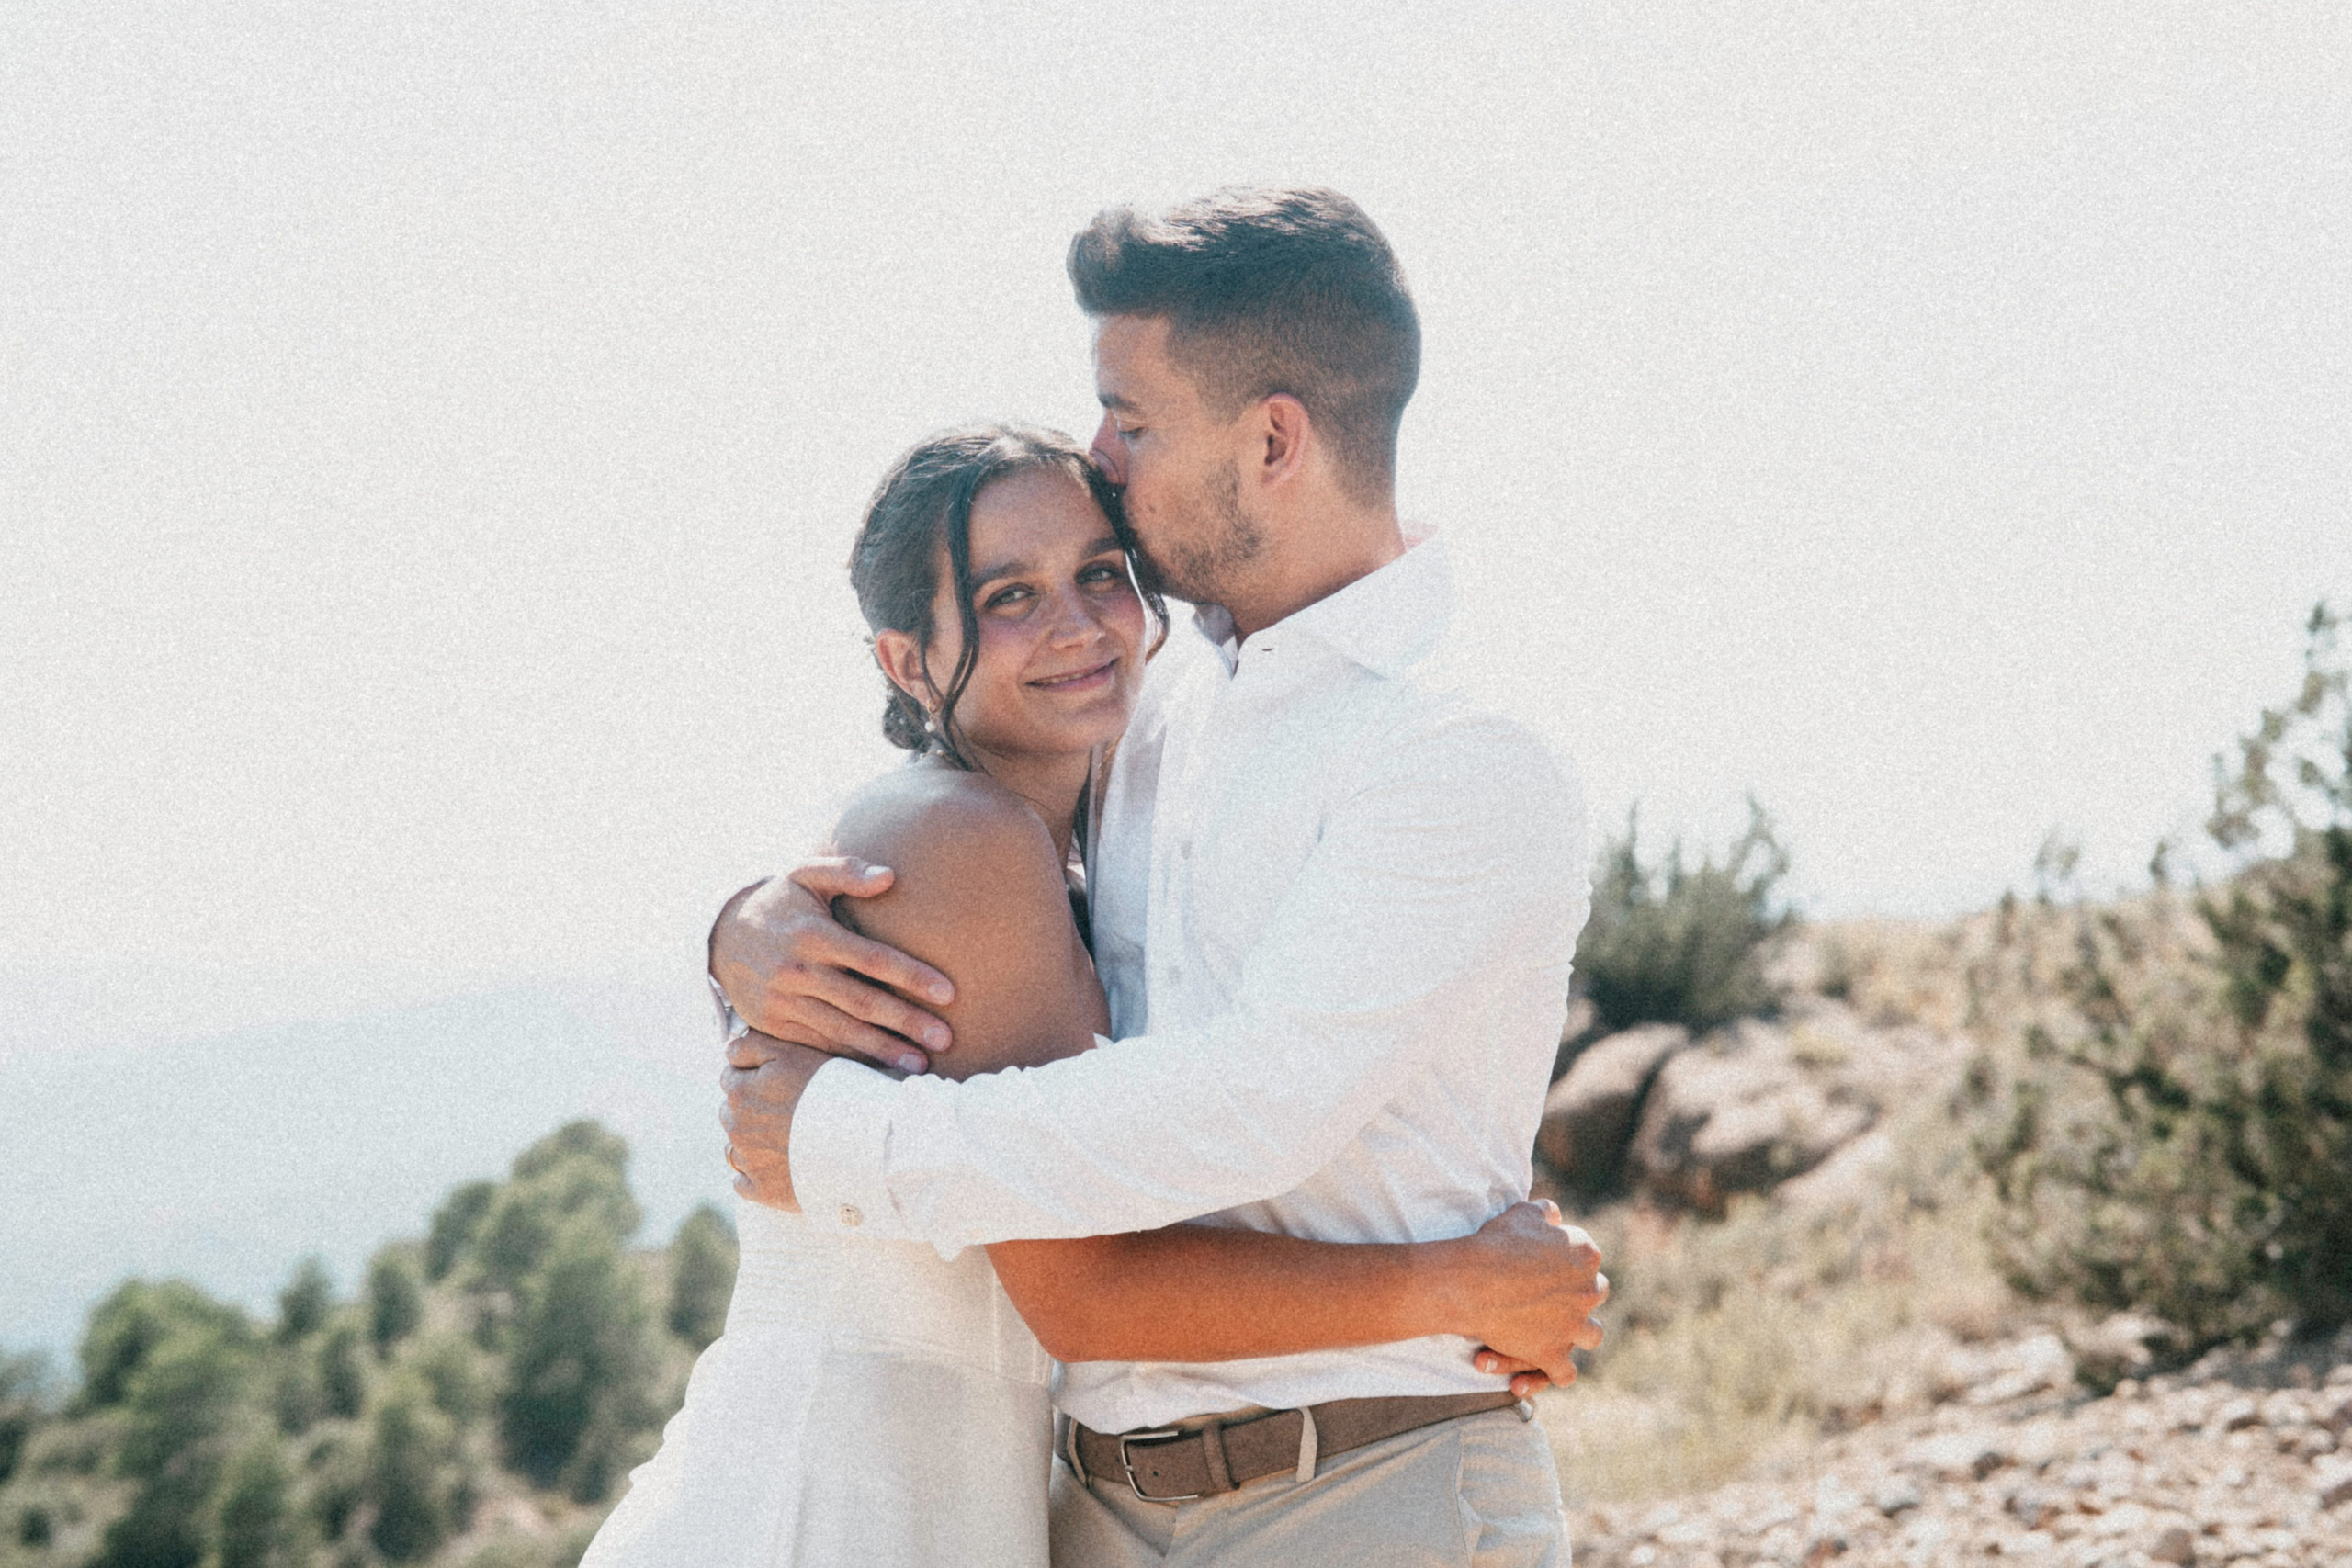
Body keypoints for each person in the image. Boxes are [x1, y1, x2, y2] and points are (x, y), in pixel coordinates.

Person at [714, 188, 1599, 1565]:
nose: (1099, 451)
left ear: (1272, 439)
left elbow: (1251, 1107)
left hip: (1370, 1491)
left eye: (1131, 418)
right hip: (1090, 1509)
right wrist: (746, 924)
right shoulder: (1158, 698)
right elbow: (953, 833)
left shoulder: (1455, 755)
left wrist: (846, 1147)